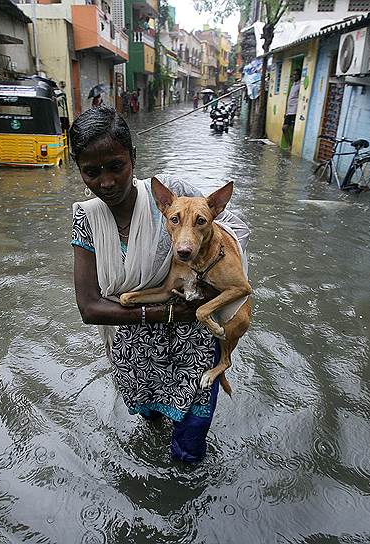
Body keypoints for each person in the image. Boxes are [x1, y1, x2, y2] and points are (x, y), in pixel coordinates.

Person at [69, 107, 249, 463]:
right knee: (151, 420)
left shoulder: (174, 196)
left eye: (116, 167)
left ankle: (186, 496)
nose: (105, 181)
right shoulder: (85, 218)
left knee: (190, 442)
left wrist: (210, 274)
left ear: (133, 159)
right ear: (79, 170)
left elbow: (230, 228)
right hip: (134, 347)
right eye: (91, 172)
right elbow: (89, 308)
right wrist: (165, 312)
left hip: (192, 340)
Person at [282, 69, 301, 147]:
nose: (294, 76)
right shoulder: (293, 85)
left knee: (288, 128)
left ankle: (292, 146)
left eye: (296, 75)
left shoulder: (300, 85)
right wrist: (286, 112)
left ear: (299, 76)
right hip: (289, 111)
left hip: (294, 111)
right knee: (284, 128)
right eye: (293, 75)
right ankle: (290, 145)